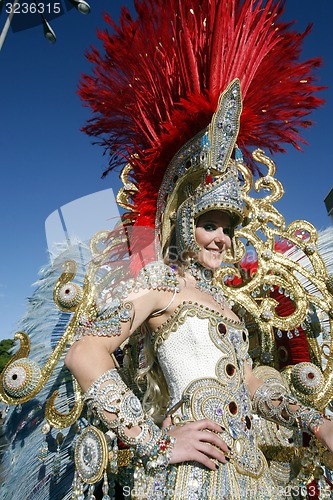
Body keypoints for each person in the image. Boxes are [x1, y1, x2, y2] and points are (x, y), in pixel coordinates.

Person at [64, 80, 333, 499]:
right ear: (185, 223)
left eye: (228, 229)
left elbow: (247, 382)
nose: (221, 238)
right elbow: (84, 352)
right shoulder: (162, 283)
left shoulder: (225, 304)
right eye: (210, 224)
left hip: (250, 476)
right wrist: (156, 442)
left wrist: (318, 423)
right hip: (193, 478)